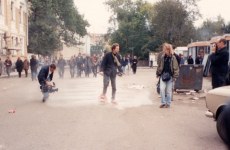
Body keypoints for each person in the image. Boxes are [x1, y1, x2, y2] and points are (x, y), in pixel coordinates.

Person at [156, 43, 179, 108]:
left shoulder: (173, 58)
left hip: (170, 77)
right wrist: (157, 73)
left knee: (169, 91)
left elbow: (176, 68)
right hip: (163, 75)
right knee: (162, 89)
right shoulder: (162, 57)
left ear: (168, 50)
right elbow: (159, 66)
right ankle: (163, 102)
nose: (164, 50)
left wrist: (175, 76)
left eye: (165, 49)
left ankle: (168, 103)